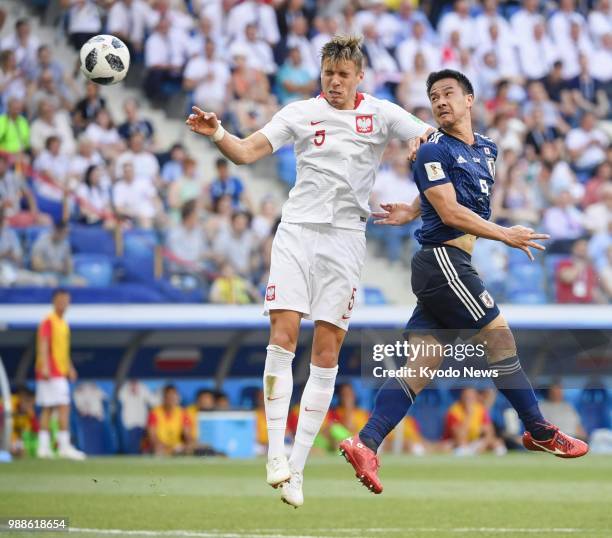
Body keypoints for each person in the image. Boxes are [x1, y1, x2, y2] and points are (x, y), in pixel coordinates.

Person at [186, 34, 432, 508]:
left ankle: (297, 469)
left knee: (327, 348)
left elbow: (426, 138)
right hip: (297, 231)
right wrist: (218, 133)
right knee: (282, 335)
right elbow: (245, 152)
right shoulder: (300, 113)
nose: (335, 82)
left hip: (346, 240)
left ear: (359, 76)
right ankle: (274, 454)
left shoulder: (380, 113)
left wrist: (419, 180)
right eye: (328, 74)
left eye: (343, 75)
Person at [339, 69, 589, 495]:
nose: (440, 101)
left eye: (448, 93)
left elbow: (442, 195)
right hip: (443, 262)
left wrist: (412, 210)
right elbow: (451, 212)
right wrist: (506, 233)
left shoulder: (487, 149)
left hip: (448, 263)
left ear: (469, 99)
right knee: (499, 338)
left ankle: (365, 442)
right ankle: (538, 429)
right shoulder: (429, 149)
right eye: (434, 96)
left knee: (420, 366)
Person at [35, 289, 86, 460]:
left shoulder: (63, 323)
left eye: (66, 300)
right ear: (54, 301)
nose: (64, 304)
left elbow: (62, 350)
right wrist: (45, 366)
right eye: (61, 300)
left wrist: (70, 367)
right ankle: (63, 446)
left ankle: (44, 448)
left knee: (49, 408)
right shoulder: (48, 321)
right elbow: (44, 343)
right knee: (62, 406)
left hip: (60, 371)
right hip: (51, 372)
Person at [147, 384, 194, 456]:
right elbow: (152, 436)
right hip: (160, 446)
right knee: (158, 449)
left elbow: (187, 434)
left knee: (191, 447)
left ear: (177, 398)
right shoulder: (154, 413)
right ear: (163, 398)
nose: (171, 399)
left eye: (173, 396)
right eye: (168, 397)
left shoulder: (183, 413)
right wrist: (163, 446)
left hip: (177, 447)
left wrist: (189, 443)